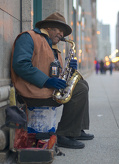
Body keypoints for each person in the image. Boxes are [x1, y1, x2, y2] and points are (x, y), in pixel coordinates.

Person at [11, 12, 94, 149]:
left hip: (45, 88)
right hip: (33, 90)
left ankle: (77, 129)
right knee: (80, 89)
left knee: (81, 84)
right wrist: (46, 81)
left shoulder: (53, 48)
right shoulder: (28, 37)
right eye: (59, 30)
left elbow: (56, 74)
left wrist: (70, 71)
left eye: (63, 32)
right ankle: (64, 134)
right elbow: (21, 64)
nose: (62, 35)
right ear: (49, 27)